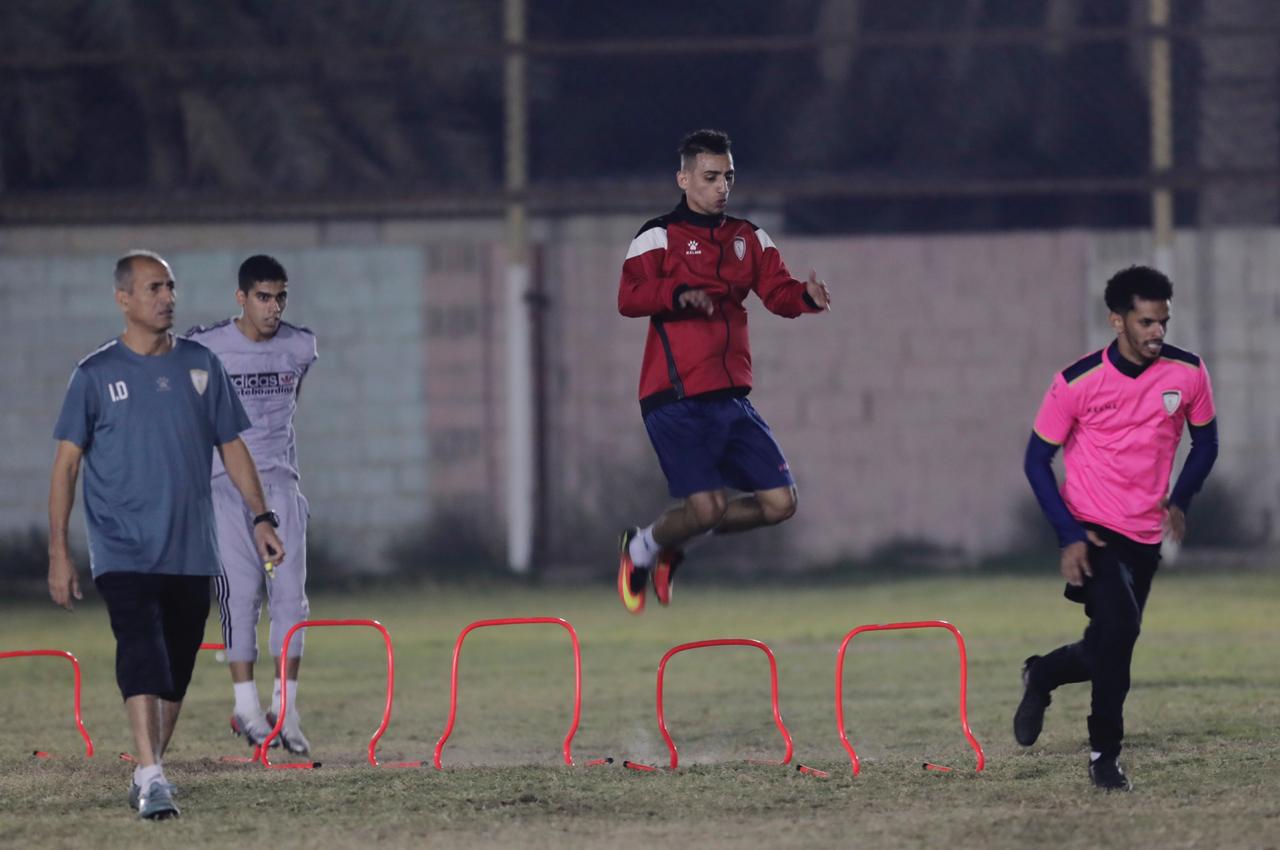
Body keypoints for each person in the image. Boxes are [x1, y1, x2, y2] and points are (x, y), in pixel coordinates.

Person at [48, 250, 284, 819]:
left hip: (190, 547)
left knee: (176, 668)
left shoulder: (201, 365)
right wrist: (59, 549)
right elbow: (66, 467)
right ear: (123, 299)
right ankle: (154, 775)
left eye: (171, 287)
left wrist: (260, 517)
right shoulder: (95, 375)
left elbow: (232, 446)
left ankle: (147, 769)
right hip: (123, 547)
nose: (167, 298)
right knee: (142, 651)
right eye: (154, 288)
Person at [1018, 265, 1218, 791]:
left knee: (1107, 644)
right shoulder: (1076, 382)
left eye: (1163, 322)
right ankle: (1105, 755)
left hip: (1145, 536)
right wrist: (1069, 535)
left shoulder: (1189, 373)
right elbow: (1036, 461)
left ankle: (1041, 675)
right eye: (1147, 321)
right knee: (1123, 630)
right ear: (1117, 320)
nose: (1157, 332)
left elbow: (1207, 443)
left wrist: (1181, 498)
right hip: (1094, 532)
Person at [615, 129, 832, 614]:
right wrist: (674, 293)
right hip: (674, 399)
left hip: (731, 398)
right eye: (711, 177)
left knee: (780, 503)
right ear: (684, 178)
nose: (721, 187)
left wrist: (805, 297)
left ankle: (672, 544)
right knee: (707, 507)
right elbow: (629, 298)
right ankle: (640, 550)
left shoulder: (747, 237)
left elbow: (778, 293)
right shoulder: (658, 235)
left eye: (728, 177)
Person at [186, 255, 317, 755]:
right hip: (224, 487)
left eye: (281, 296)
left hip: (280, 487)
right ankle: (245, 706)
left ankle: (286, 708)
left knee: (290, 600)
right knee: (241, 596)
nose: (274, 307)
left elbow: (288, 409)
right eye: (264, 297)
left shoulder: (299, 346)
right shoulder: (208, 345)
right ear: (241, 298)